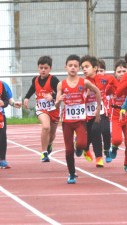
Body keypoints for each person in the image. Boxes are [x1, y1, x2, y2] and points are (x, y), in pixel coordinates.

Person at [55, 55, 101, 184]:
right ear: (66, 67)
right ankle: (71, 173)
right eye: (70, 66)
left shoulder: (84, 82)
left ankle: (78, 146)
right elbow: (56, 104)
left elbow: (97, 91)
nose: (73, 68)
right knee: (68, 150)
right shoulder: (61, 84)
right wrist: (59, 100)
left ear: (78, 68)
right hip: (67, 121)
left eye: (76, 66)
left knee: (81, 144)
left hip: (80, 120)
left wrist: (98, 109)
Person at [23, 56, 60, 163]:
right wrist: (26, 98)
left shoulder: (53, 80)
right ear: (38, 68)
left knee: (52, 135)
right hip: (41, 109)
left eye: (46, 68)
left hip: (54, 109)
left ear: (50, 69)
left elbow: (60, 92)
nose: (43, 70)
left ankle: (49, 144)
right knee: (45, 127)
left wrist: (52, 96)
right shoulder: (35, 79)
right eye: (41, 68)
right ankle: (44, 153)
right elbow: (32, 88)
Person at [80, 55, 111, 167]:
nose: (84, 69)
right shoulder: (82, 82)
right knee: (93, 132)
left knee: (106, 131)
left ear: (95, 68)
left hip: (102, 110)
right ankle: (98, 157)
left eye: (87, 66)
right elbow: (77, 97)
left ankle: (107, 149)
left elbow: (116, 85)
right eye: (82, 67)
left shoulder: (105, 79)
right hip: (89, 113)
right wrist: (86, 95)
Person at [106, 60, 127, 174]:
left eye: (124, 71)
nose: (122, 73)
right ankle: (114, 146)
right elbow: (107, 92)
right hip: (116, 116)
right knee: (117, 139)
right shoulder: (113, 83)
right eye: (119, 71)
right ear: (115, 73)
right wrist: (109, 83)